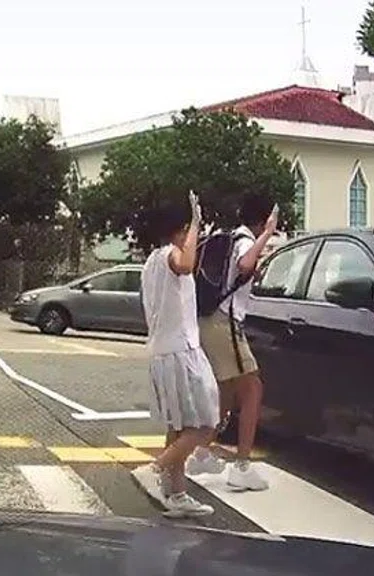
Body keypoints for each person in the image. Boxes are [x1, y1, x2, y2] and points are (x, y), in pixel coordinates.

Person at [132, 191, 219, 517]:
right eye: (188, 230)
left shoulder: (150, 262)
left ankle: (177, 493)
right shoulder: (172, 255)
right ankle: (154, 470)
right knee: (204, 423)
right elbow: (185, 264)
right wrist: (195, 223)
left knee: (180, 426)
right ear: (179, 230)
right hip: (182, 351)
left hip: (164, 353)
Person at [185, 191, 278, 491]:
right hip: (224, 323)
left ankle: (201, 452)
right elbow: (245, 264)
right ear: (264, 218)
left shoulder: (233, 237)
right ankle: (241, 466)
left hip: (210, 321)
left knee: (226, 392)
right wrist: (267, 234)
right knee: (252, 389)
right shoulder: (246, 240)